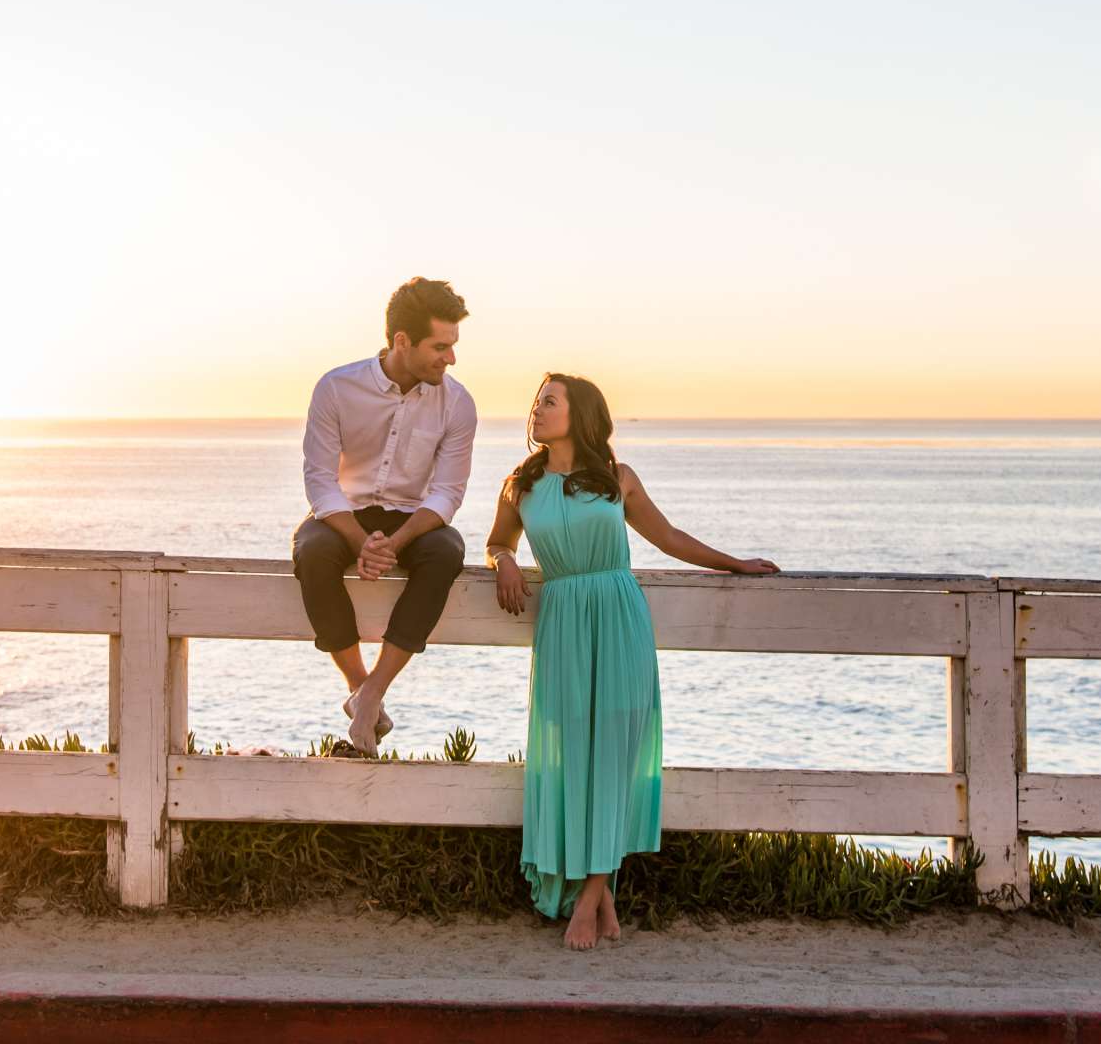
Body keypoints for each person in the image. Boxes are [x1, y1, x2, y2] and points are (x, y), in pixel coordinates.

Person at [485, 373, 778, 950]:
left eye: (550, 402)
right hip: (564, 618)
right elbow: (497, 542)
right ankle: (605, 899)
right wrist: (504, 563)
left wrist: (735, 565)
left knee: (616, 755)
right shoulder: (520, 485)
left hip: (619, 616)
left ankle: (590, 897)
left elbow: (668, 538)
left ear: (581, 414)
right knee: (571, 754)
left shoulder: (617, 480)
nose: (537, 411)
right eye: (537, 403)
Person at [294, 277, 478, 754]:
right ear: (402, 341)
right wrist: (360, 542)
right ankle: (361, 689)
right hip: (343, 516)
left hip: (411, 522)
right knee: (311, 551)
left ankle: (371, 693)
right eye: (440, 346)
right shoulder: (336, 388)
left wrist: (392, 545)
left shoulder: (458, 403)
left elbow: (446, 493)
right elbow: (320, 481)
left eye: (453, 346)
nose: (450, 358)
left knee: (447, 550)